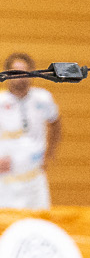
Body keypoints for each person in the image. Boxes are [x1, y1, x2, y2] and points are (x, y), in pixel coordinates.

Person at [0, 53, 61, 210]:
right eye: (15, 72)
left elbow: (55, 123)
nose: (20, 77)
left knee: (40, 222)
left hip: (35, 178)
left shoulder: (43, 98)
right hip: (6, 180)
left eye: (25, 72)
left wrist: (50, 153)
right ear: (6, 74)